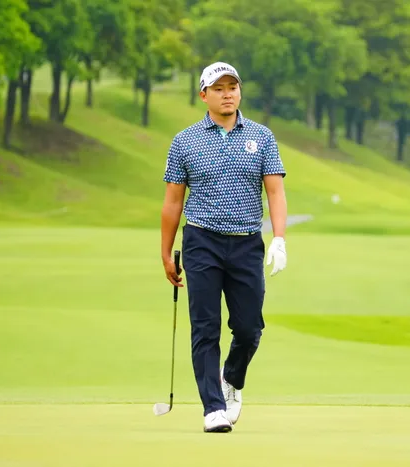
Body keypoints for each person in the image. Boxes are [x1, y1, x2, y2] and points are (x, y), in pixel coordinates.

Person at [160, 61, 288, 433]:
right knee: (205, 327)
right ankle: (213, 408)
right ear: (204, 95)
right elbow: (173, 202)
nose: (227, 94)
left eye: (232, 87)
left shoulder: (262, 137)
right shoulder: (185, 141)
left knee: (249, 328)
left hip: (247, 242)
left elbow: (275, 191)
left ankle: (231, 377)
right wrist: (165, 253)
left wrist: (279, 238)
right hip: (202, 242)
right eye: (218, 88)